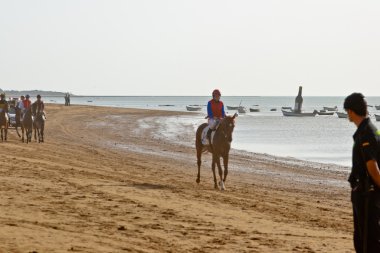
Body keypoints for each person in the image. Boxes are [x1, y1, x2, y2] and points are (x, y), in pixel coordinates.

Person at [345, 93, 380, 253]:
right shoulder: (370, 129)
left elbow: (372, 166)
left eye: (347, 112)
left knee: (366, 241)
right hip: (366, 192)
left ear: (351, 111)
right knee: (363, 238)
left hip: (367, 194)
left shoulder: (366, 132)